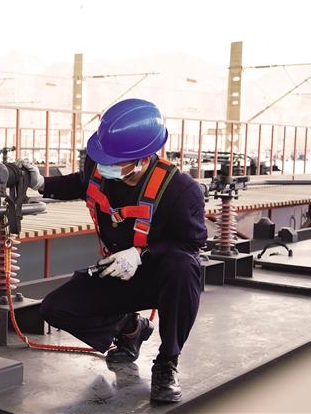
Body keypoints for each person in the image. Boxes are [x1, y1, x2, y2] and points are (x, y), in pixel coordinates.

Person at [19, 98, 207, 402]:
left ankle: (167, 363)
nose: (104, 165)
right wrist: (43, 184)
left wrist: (140, 254)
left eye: (114, 161)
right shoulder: (99, 165)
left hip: (161, 277)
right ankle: (131, 328)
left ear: (142, 159)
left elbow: (190, 244)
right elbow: (81, 184)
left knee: (184, 268)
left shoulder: (181, 190)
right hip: (116, 270)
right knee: (54, 308)